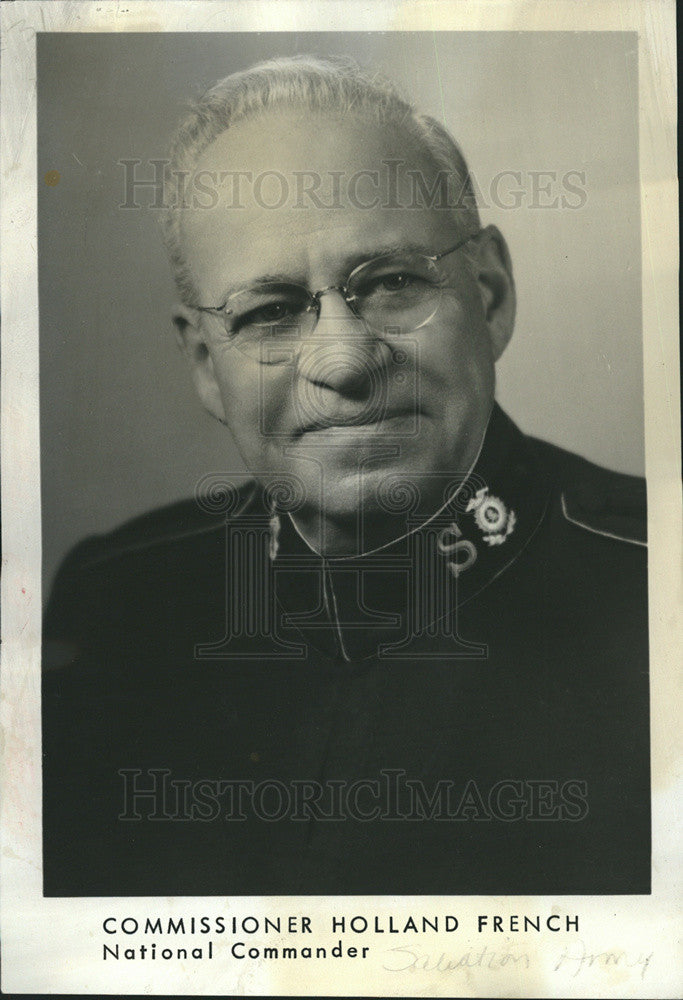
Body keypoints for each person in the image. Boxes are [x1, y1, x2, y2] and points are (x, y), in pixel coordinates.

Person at [42, 55, 649, 896]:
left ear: (491, 294)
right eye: (270, 312)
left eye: (393, 283)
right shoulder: (112, 607)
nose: (343, 361)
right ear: (206, 368)